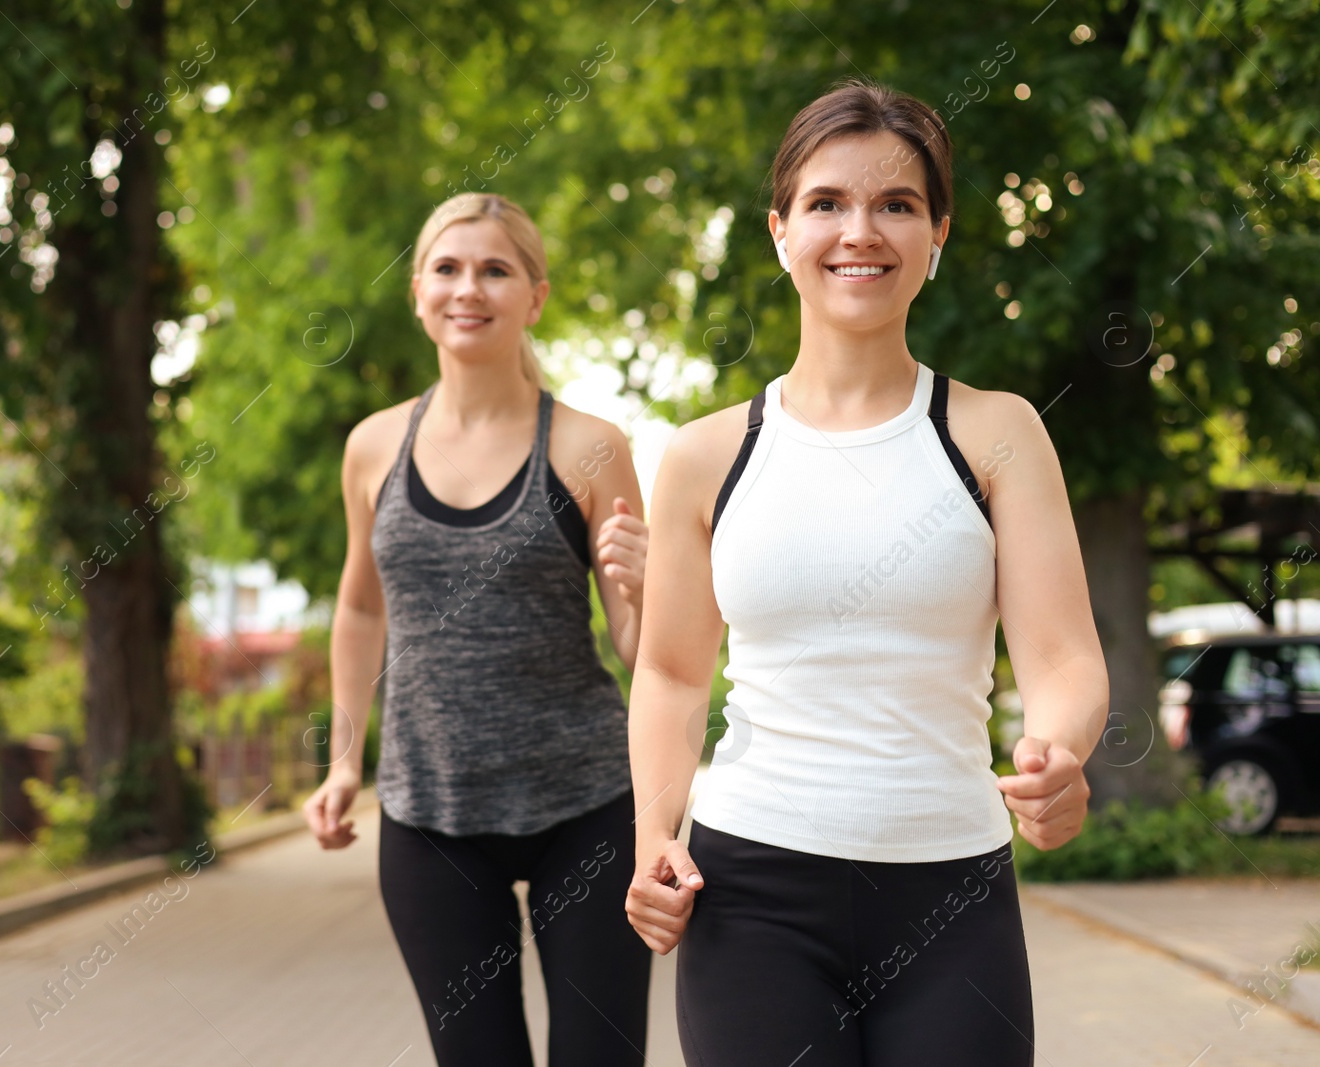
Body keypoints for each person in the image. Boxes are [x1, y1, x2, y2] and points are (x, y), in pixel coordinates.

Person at [623, 80, 1109, 1066]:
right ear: (779, 231)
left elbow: (1061, 656)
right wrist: (651, 834)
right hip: (749, 894)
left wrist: (1055, 748)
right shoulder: (704, 455)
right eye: (827, 203)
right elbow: (673, 672)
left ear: (936, 234)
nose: (861, 230)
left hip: (950, 891)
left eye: (895, 203)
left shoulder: (998, 433)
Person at [303, 192, 653, 1066]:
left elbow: (647, 652)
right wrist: (346, 759)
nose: (471, 288)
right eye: (449, 269)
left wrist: (651, 587)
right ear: (418, 291)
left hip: (589, 803)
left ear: (534, 296)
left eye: (496, 269)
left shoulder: (590, 447)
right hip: (431, 813)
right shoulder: (374, 446)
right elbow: (359, 607)